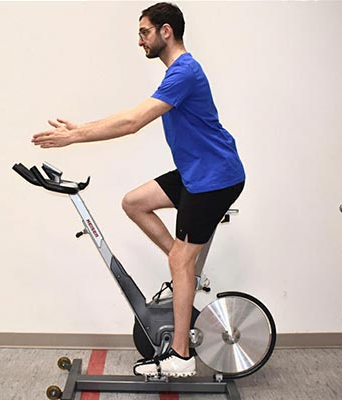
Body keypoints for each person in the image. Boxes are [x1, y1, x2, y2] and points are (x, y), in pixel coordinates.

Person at [32, 2, 245, 378]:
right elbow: (131, 115)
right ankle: (184, 266)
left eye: (144, 31)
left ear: (166, 31)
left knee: (179, 261)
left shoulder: (185, 71)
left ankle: (181, 356)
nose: (139, 40)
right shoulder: (177, 73)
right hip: (196, 173)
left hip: (215, 178)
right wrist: (79, 128)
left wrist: (75, 136)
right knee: (134, 203)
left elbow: (132, 121)